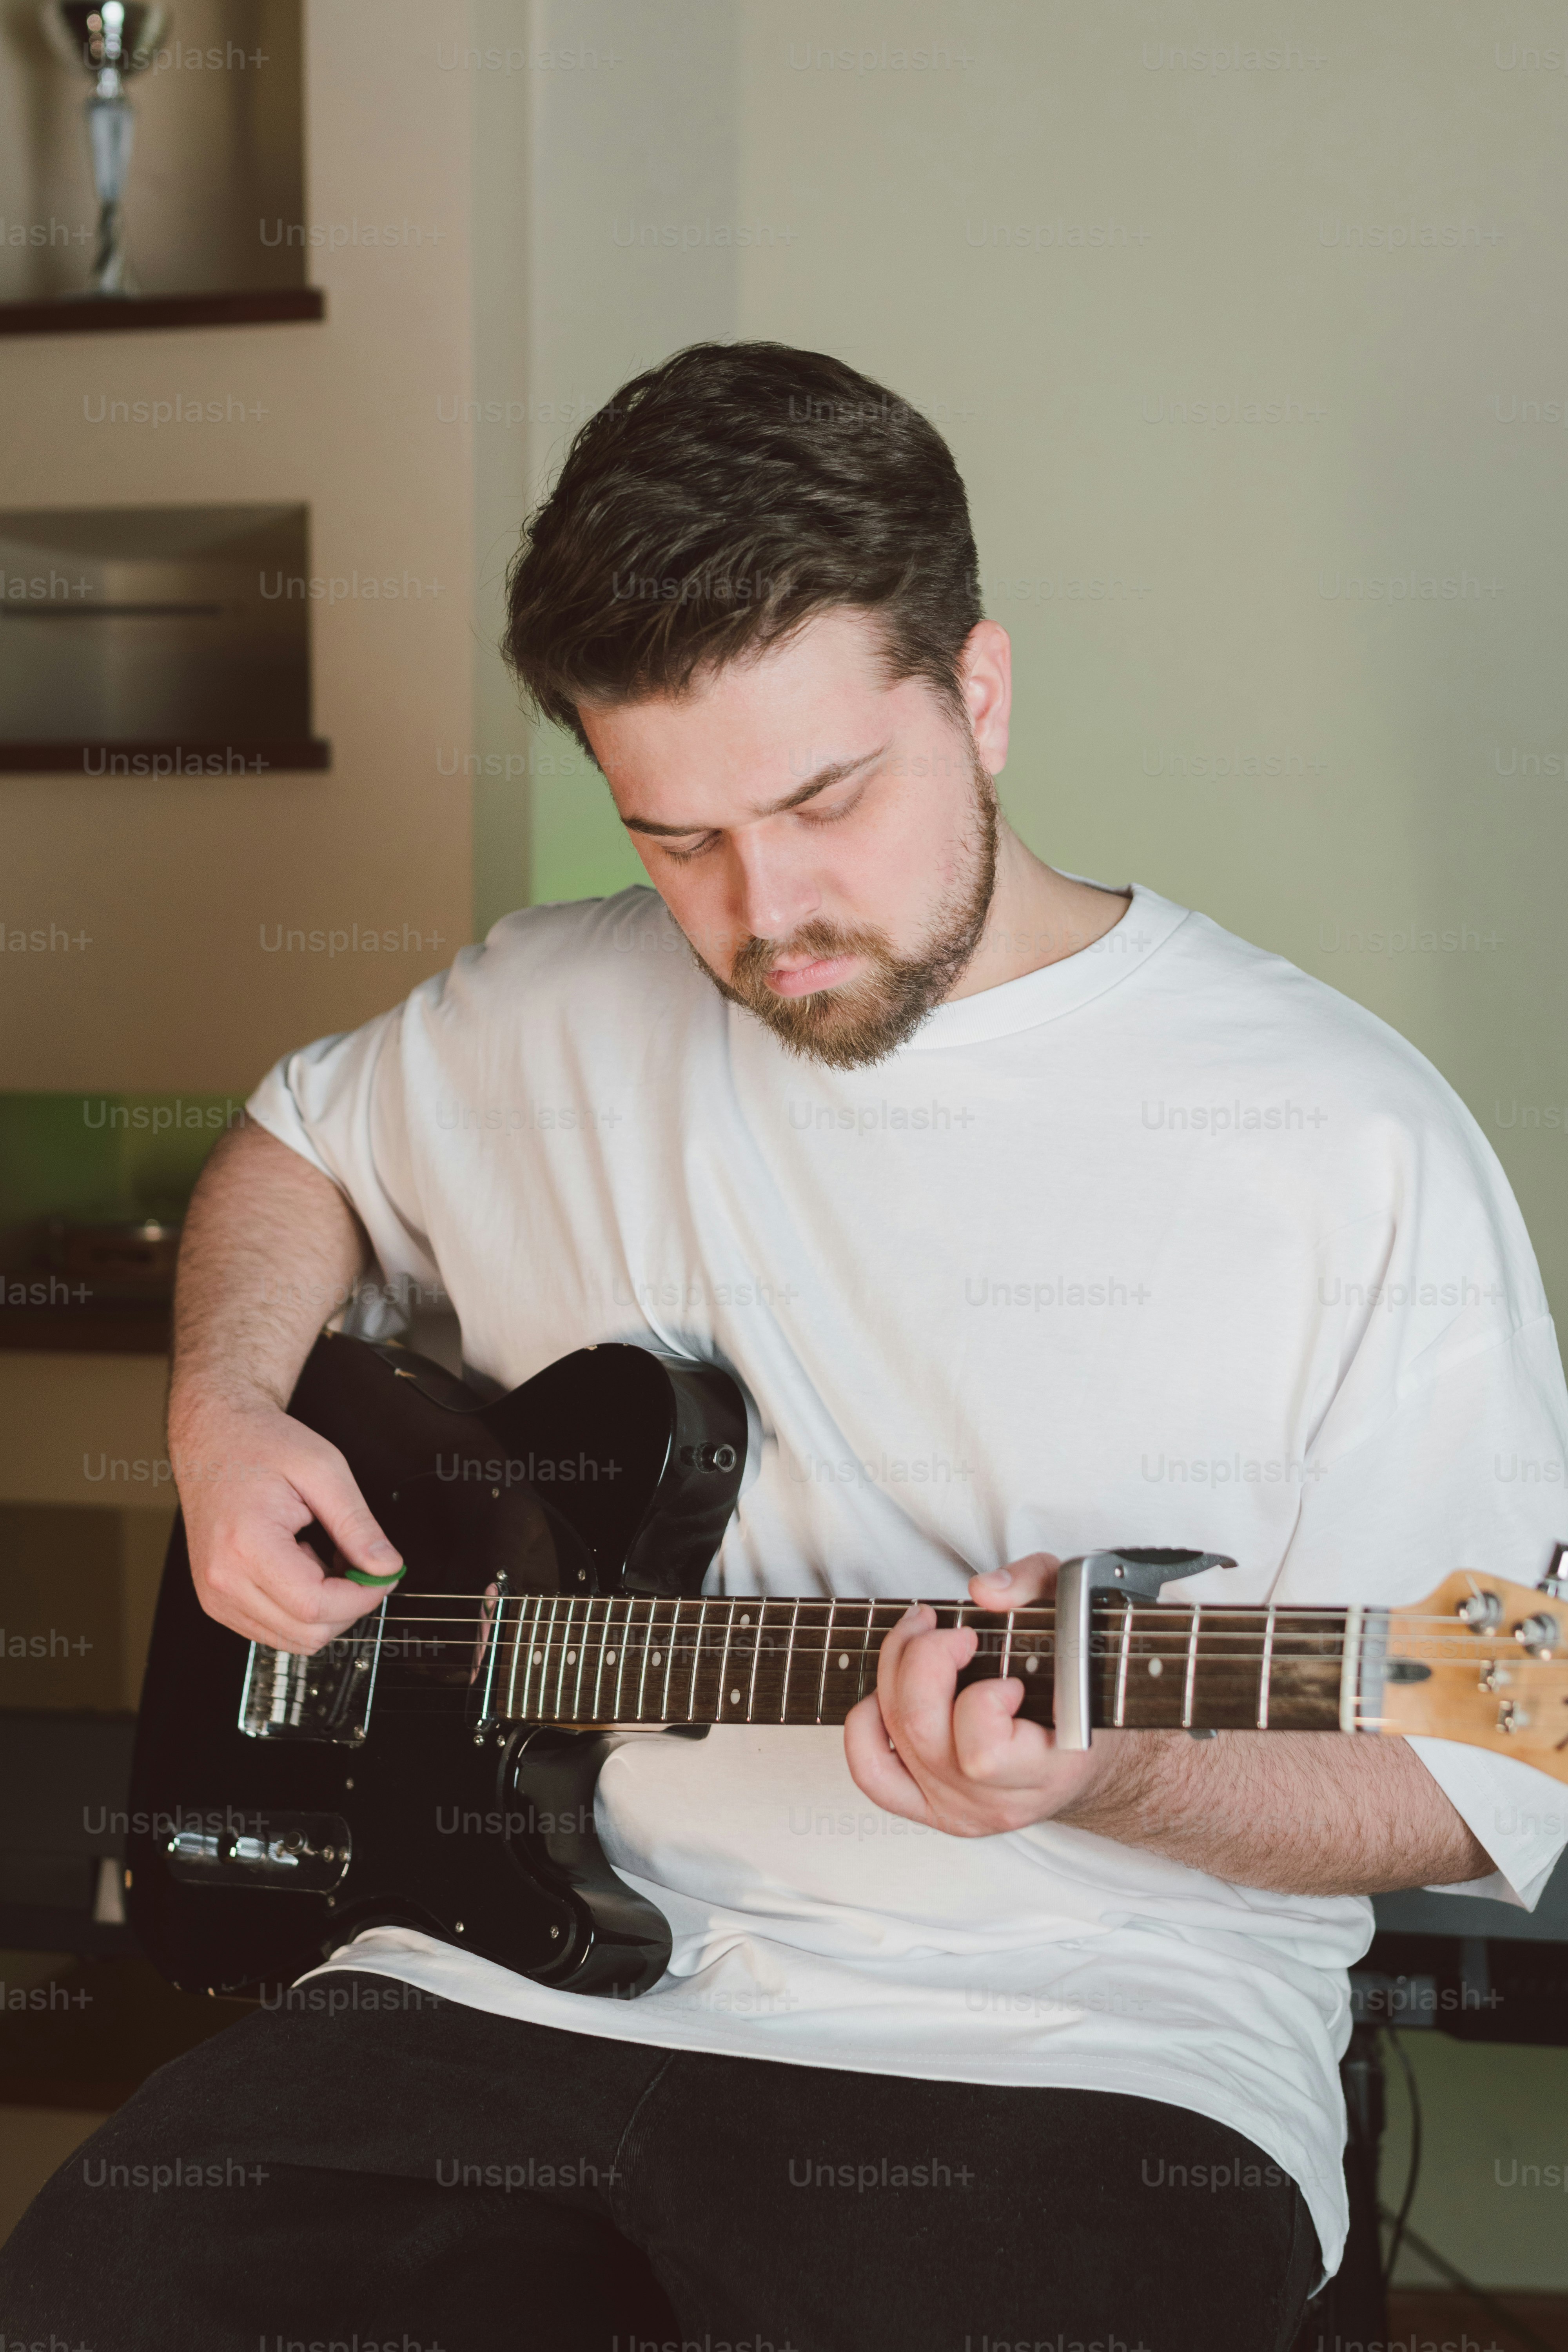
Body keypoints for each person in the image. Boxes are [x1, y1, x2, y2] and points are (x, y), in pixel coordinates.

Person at [5, 342, 1566, 2352]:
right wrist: (220, 1412)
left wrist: (1118, 1775)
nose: (768, 913)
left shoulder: (1345, 1140)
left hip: (1069, 2049)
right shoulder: (541, 1012)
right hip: (506, 1980)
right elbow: (293, 1144)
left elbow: (1490, 1749)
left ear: (976, 693)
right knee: (101, 2286)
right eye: (677, 839)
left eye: (826, 800)